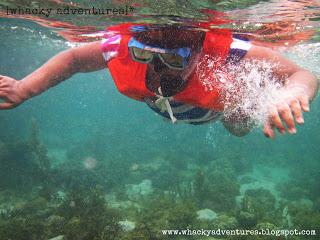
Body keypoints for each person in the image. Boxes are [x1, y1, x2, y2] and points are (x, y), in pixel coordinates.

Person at [0, 23, 318, 138]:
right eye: (142, 54)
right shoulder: (121, 49)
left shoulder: (227, 54)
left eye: (174, 58)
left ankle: (241, 107)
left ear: (199, 52)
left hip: (216, 107)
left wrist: (291, 94)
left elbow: (301, 75)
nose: (155, 66)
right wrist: (23, 88)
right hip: (174, 108)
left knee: (237, 126)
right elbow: (74, 58)